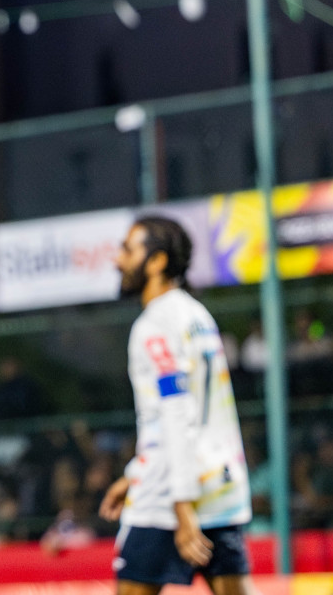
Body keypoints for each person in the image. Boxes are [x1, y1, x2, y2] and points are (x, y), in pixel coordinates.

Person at [100, 217, 253, 595]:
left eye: (128, 250)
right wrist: (134, 472)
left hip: (169, 497)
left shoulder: (154, 326)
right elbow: (198, 414)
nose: (117, 260)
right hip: (219, 486)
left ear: (156, 261)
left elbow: (176, 413)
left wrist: (182, 507)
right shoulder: (198, 316)